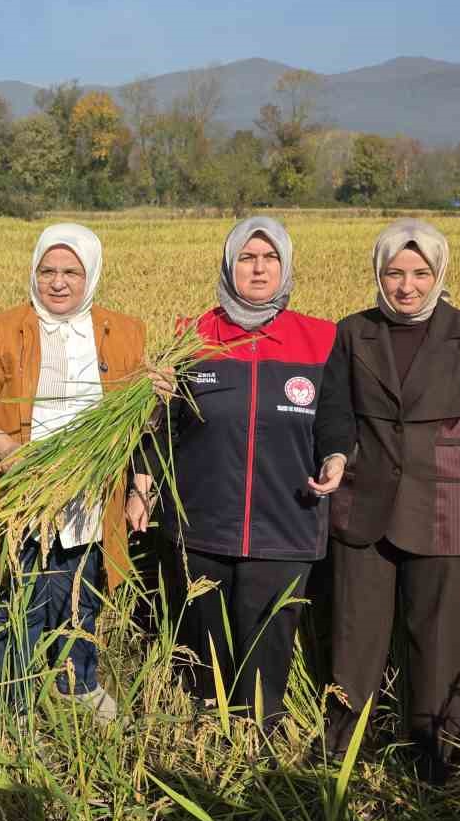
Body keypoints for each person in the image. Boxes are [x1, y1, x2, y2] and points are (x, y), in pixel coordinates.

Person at [312, 218, 460, 782]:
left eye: (420, 272)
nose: (407, 286)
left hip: (449, 505)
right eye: (394, 272)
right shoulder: (352, 332)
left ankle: (437, 750)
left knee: (438, 631)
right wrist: (333, 454)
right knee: (356, 631)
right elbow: (335, 410)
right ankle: (343, 745)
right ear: (377, 274)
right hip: (365, 503)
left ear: (439, 273)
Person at [142, 217, 335, 734]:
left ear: (285, 267)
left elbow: (338, 422)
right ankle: (211, 728)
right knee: (208, 638)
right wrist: (154, 407)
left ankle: (260, 737)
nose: (258, 268)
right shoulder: (192, 336)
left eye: (269, 258)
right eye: (247, 258)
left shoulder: (320, 340)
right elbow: (164, 430)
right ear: (229, 265)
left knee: (269, 638)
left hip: (286, 521)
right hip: (205, 521)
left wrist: (339, 457)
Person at [0, 223, 145, 724]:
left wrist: (156, 396)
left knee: (83, 592)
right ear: (34, 271)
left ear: (92, 275)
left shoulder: (123, 332)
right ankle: (10, 700)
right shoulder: (2, 328)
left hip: (93, 487)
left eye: (71, 272)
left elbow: (139, 419)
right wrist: (5, 448)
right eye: (48, 271)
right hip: (24, 487)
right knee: (22, 596)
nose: (58, 283)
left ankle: (76, 682)